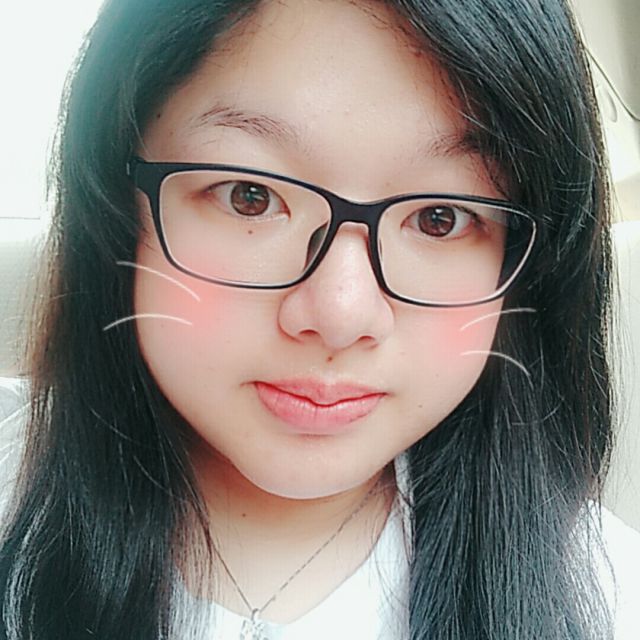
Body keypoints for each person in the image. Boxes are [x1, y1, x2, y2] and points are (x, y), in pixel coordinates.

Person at [1, 0, 639, 638]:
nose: (340, 314)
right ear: (116, 203)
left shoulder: (604, 597)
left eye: (440, 218)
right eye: (249, 196)